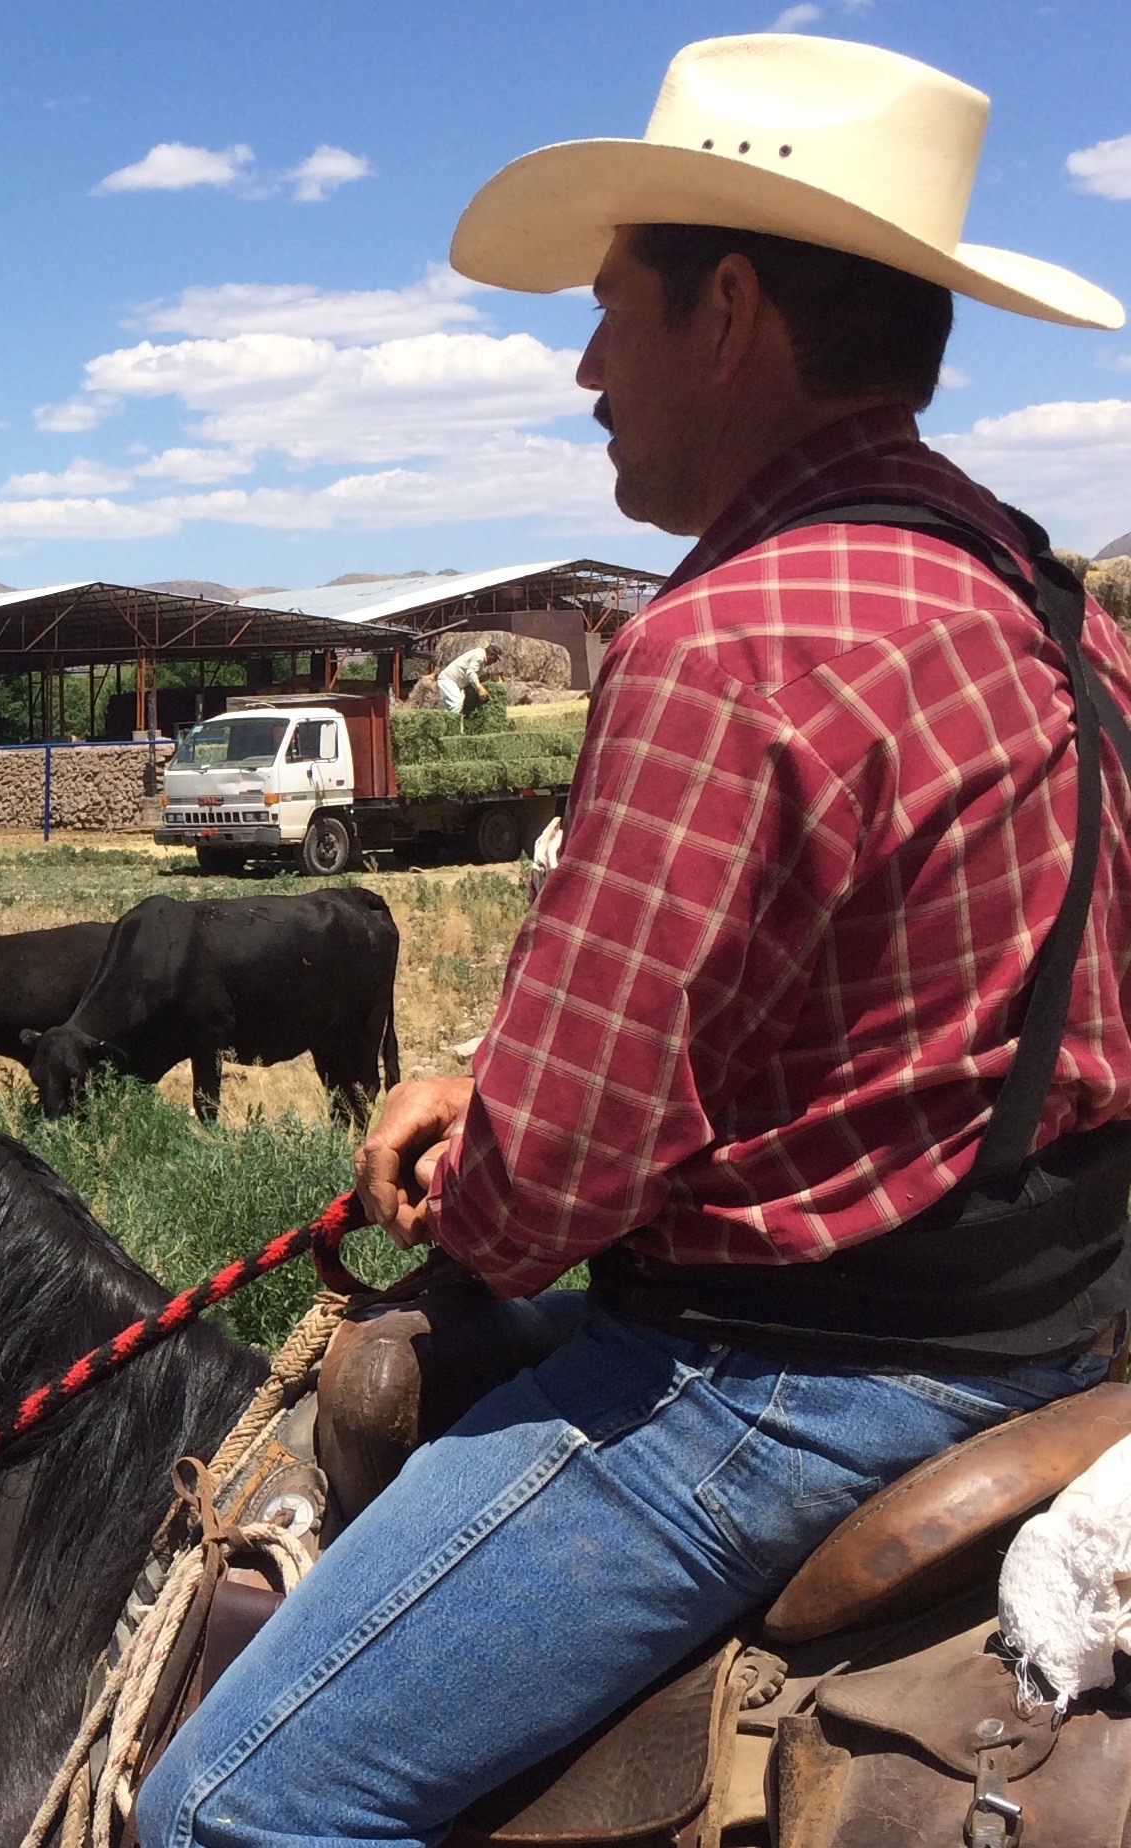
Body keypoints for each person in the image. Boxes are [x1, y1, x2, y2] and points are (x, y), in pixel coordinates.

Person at [137, 33, 1130, 1848]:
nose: (587, 370)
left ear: (728, 309)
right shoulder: (1052, 606)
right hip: (1063, 1335)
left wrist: (469, 1161)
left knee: (223, 1804)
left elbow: (545, 1198)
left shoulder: (726, 644)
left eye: (608, 313)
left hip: (788, 1385)